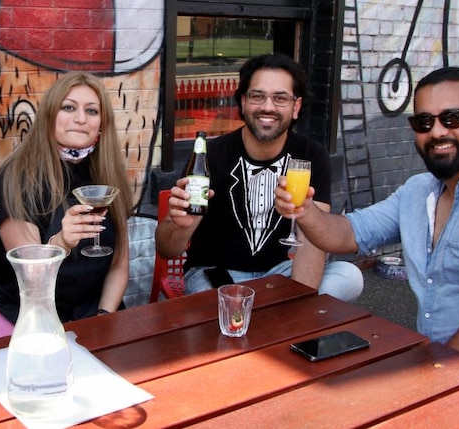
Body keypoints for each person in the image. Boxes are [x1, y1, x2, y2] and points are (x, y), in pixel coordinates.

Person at [275, 66, 459, 391]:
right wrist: (305, 210)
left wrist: (424, 388)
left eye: (452, 117)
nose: (437, 131)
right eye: (423, 122)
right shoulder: (419, 190)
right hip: (444, 370)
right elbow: (347, 233)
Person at [155, 54, 363, 301]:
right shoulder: (210, 155)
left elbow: (312, 241)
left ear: (295, 107)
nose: (268, 107)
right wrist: (180, 226)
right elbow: (167, 250)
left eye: (280, 98)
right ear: (243, 102)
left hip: (278, 274)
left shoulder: (310, 156)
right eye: (257, 96)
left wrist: (300, 301)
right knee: (216, 305)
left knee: (349, 276)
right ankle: (267, 318)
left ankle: (274, 317)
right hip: (218, 276)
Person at [0, 71, 132, 338]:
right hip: (24, 314)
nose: (81, 119)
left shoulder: (106, 175)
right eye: (68, 107)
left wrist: (102, 317)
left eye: (92, 111)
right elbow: (31, 279)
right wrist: (61, 243)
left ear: (102, 123)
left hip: (91, 316)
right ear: (49, 116)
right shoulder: (16, 179)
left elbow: (119, 265)